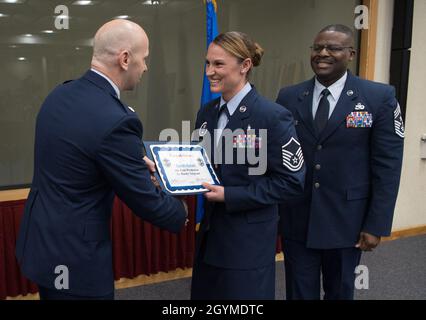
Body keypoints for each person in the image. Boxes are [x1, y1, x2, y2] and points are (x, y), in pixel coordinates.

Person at [15, 19, 187, 300]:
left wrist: (128, 161)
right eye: (144, 59)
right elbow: (146, 201)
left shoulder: (59, 95)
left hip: (43, 246)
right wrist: (182, 211)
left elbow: (77, 158)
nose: (145, 67)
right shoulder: (116, 119)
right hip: (77, 261)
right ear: (125, 58)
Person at [276, 24, 404, 300]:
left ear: (351, 53)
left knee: (340, 292)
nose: (323, 53)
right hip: (298, 218)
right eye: (317, 47)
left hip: (348, 221)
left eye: (333, 48)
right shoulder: (288, 97)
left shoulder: (379, 97)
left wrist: (376, 224)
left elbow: (388, 166)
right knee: (298, 292)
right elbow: (279, 156)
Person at [190, 31, 305, 300]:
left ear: (245, 66)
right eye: (207, 63)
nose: (210, 72)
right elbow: (202, 164)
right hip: (209, 235)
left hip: (246, 242)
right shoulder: (207, 113)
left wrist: (230, 195)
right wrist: (168, 175)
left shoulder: (272, 116)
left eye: (219, 64)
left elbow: (291, 182)